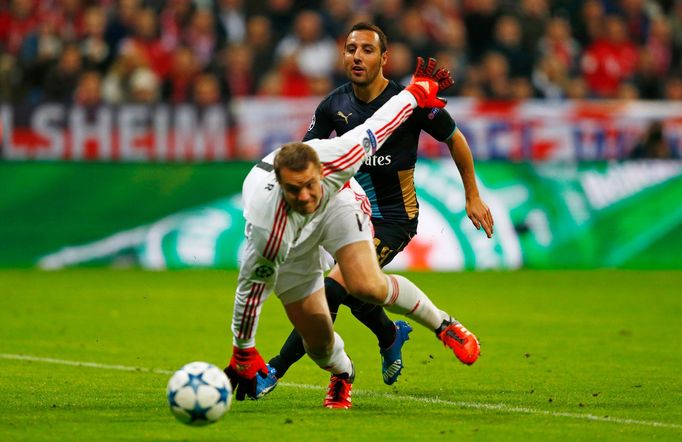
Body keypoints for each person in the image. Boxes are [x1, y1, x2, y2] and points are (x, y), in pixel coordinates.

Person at [225, 58, 481, 409]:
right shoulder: (268, 229)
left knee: (362, 285)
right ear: (281, 187)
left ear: (321, 172)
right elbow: (250, 291)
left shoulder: (339, 158)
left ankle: (442, 324)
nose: (304, 196)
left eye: (308, 185)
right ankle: (344, 373)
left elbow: (382, 121)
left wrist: (417, 91)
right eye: (294, 190)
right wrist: (243, 349)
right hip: (295, 236)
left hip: (341, 204)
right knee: (317, 340)